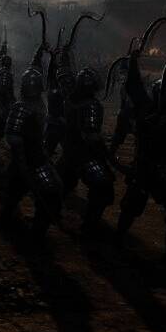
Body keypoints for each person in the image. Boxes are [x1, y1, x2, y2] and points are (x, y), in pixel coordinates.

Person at [116, 50, 166, 268]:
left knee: (132, 205)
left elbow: (134, 85)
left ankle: (118, 238)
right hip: (160, 171)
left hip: (141, 167)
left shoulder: (145, 108)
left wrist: (133, 60)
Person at [1, 47, 63, 240]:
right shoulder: (21, 107)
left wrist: (41, 54)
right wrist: (22, 161)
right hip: (25, 159)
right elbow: (13, 136)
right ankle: (10, 224)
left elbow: (36, 70)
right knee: (14, 194)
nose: (34, 88)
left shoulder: (39, 104)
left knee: (51, 192)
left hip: (37, 155)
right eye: (32, 85)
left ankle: (37, 230)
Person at [57, 67, 115, 232]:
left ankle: (52, 213)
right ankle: (89, 227)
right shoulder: (91, 106)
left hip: (69, 152)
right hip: (85, 155)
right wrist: (106, 155)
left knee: (63, 183)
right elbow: (91, 136)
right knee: (104, 188)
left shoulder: (70, 101)